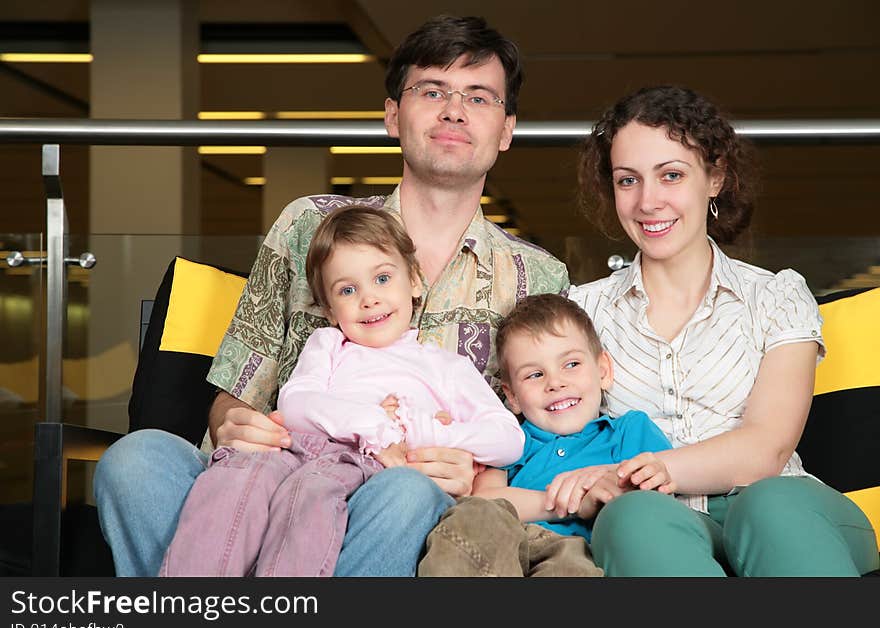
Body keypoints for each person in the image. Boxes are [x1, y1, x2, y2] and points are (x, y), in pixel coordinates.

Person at [93, 15, 569, 577]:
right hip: (274, 481)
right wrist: (233, 422)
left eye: (479, 97)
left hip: (409, 510)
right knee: (135, 459)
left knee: (405, 496)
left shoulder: (538, 275)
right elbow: (235, 396)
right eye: (431, 90)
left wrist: (479, 476)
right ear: (393, 115)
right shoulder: (309, 226)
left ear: (506, 129)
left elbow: (538, 439)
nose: (453, 109)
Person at [565, 85, 878, 576]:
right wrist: (593, 487)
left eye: (671, 175)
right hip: (663, 524)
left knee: (771, 504)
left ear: (714, 177)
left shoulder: (775, 297)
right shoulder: (581, 311)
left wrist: (658, 468)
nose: (649, 201)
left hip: (791, 516)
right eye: (628, 180)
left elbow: (766, 448)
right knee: (630, 516)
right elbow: (566, 439)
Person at [160, 206, 524, 576]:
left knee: (309, 496)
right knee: (235, 477)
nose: (369, 299)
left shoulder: (446, 367)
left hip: (360, 467)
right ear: (331, 310)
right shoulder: (328, 345)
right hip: (294, 449)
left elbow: (508, 438)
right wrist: (376, 425)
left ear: (414, 281)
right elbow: (296, 404)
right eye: (348, 290)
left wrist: (427, 431)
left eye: (382, 278)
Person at [418, 293, 672, 576]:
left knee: (571, 566)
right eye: (535, 375)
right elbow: (484, 501)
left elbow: (658, 503)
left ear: (603, 370)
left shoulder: (629, 431)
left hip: (579, 552)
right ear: (512, 396)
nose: (555, 383)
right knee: (472, 518)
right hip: (504, 547)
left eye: (571, 364)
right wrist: (572, 503)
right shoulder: (509, 439)